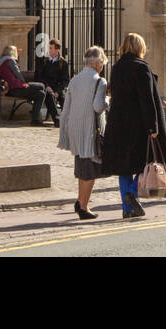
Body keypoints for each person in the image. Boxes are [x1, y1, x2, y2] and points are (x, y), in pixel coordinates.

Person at [102, 32, 166, 219]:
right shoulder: (141, 68)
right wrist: (153, 128)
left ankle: (127, 209)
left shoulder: (117, 67)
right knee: (148, 162)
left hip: (119, 125)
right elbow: (147, 100)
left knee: (124, 168)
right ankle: (132, 194)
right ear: (140, 48)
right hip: (139, 126)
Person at [57, 46, 108, 219]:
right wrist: (107, 101)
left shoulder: (75, 79)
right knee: (90, 171)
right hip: (90, 130)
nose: (102, 66)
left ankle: (80, 201)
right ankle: (84, 208)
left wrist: (63, 132)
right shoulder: (99, 82)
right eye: (102, 62)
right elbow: (98, 107)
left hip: (75, 129)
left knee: (81, 167)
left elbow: (66, 108)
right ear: (98, 63)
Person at [0, 45, 58, 126]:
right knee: (42, 86)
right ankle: (49, 117)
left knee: (41, 94)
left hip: (11, 89)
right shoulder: (10, 61)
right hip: (16, 88)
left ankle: (35, 119)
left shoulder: (1, 62)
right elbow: (18, 75)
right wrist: (23, 82)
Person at [35, 38, 70, 108]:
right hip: (46, 87)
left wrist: (57, 91)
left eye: (51, 48)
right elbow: (38, 76)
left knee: (64, 99)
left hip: (57, 88)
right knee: (49, 96)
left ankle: (65, 118)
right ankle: (56, 117)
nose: (48, 50)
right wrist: (46, 86)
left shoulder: (63, 63)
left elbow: (65, 80)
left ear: (57, 50)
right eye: (48, 48)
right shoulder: (43, 60)